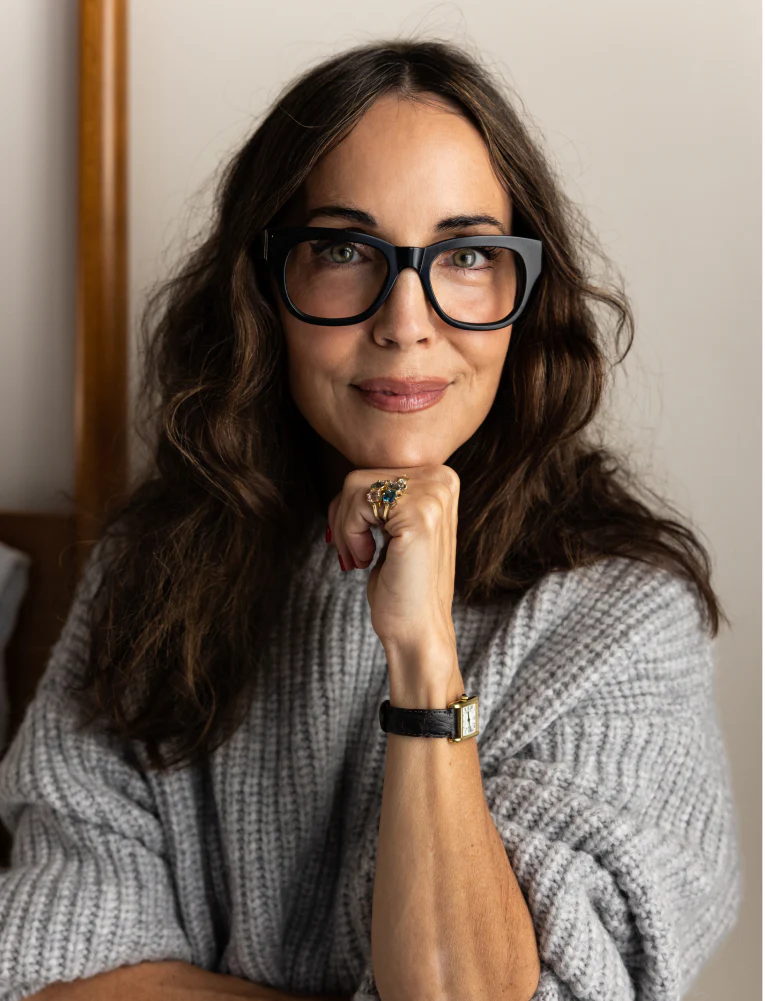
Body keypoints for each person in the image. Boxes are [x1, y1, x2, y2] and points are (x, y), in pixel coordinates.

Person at [0, 37, 741, 1001]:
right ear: (265, 287)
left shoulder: (624, 621)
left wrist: (423, 650)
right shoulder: (152, 568)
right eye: (344, 251)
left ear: (524, 295)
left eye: (465, 254)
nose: (404, 321)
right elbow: (57, 972)